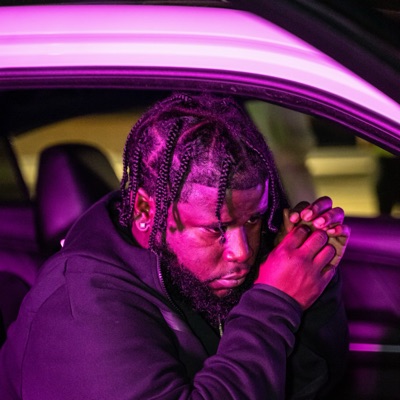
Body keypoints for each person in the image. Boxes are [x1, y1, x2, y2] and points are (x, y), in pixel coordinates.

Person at [0, 93, 350, 399]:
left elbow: (299, 388)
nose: (241, 252)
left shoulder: (195, 273)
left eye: (253, 220)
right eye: (216, 228)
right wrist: (274, 302)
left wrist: (310, 282)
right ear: (145, 211)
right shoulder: (79, 311)